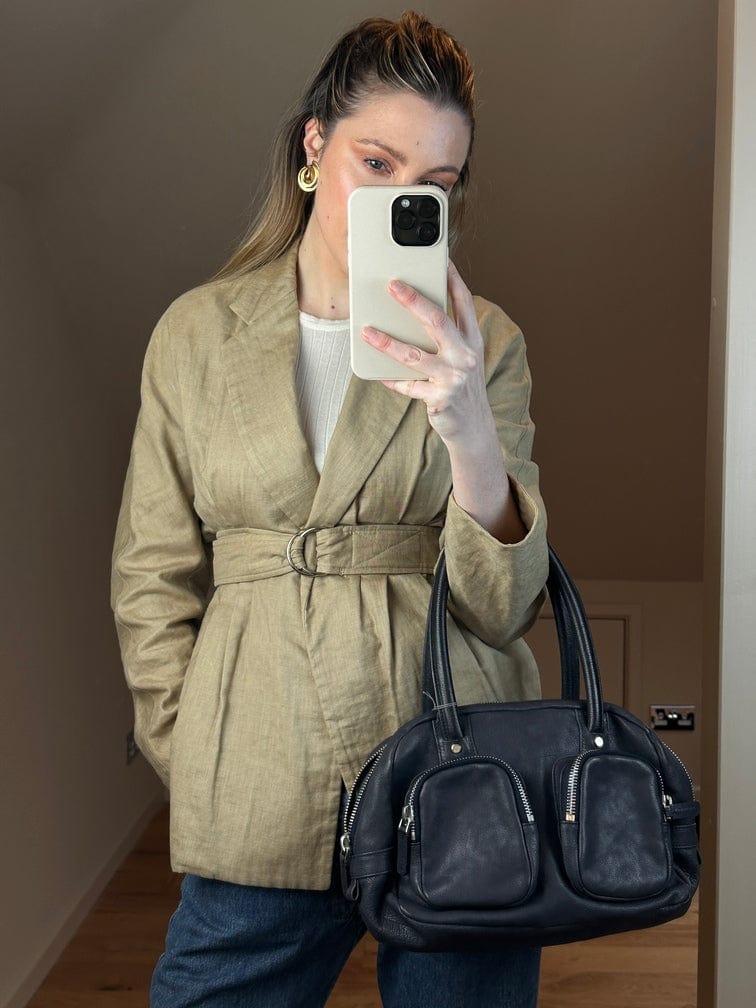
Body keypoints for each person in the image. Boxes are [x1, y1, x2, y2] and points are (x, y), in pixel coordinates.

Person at [110, 11, 548, 1008]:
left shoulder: (487, 344)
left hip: (453, 773)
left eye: (433, 184)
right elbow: (151, 573)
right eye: (376, 163)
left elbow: (503, 608)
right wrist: (194, 741)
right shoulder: (196, 335)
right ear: (314, 147)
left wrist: (468, 425)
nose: (400, 200)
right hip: (257, 772)